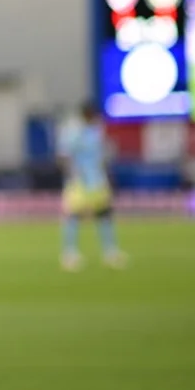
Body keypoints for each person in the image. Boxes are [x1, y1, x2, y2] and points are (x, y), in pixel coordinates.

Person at [58, 102, 127, 271]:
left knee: (104, 214)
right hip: (79, 180)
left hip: (97, 179)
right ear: (86, 114)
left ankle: (110, 252)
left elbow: (101, 155)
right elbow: (64, 155)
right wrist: (72, 174)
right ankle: (69, 253)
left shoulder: (96, 130)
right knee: (73, 216)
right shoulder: (74, 131)